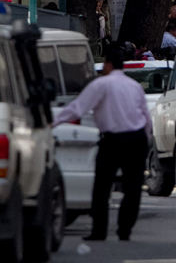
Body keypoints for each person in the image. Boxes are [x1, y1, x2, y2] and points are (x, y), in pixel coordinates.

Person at [54, 45, 151, 241]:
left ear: (107, 63)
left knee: (102, 186)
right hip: (136, 138)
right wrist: (147, 140)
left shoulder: (101, 85)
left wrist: (51, 122)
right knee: (133, 188)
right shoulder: (134, 86)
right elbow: (146, 118)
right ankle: (125, 229)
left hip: (112, 140)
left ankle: (99, 231)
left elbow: (77, 108)